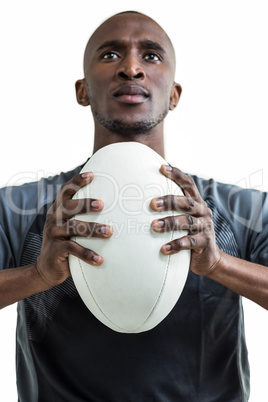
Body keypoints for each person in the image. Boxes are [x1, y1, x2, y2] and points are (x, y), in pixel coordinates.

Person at [0, 10, 267, 401]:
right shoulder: (22, 208)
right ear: (82, 90)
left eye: (151, 56)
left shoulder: (239, 209)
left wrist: (219, 264)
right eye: (110, 55)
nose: (131, 68)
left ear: (174, 94)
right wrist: (37, 275)